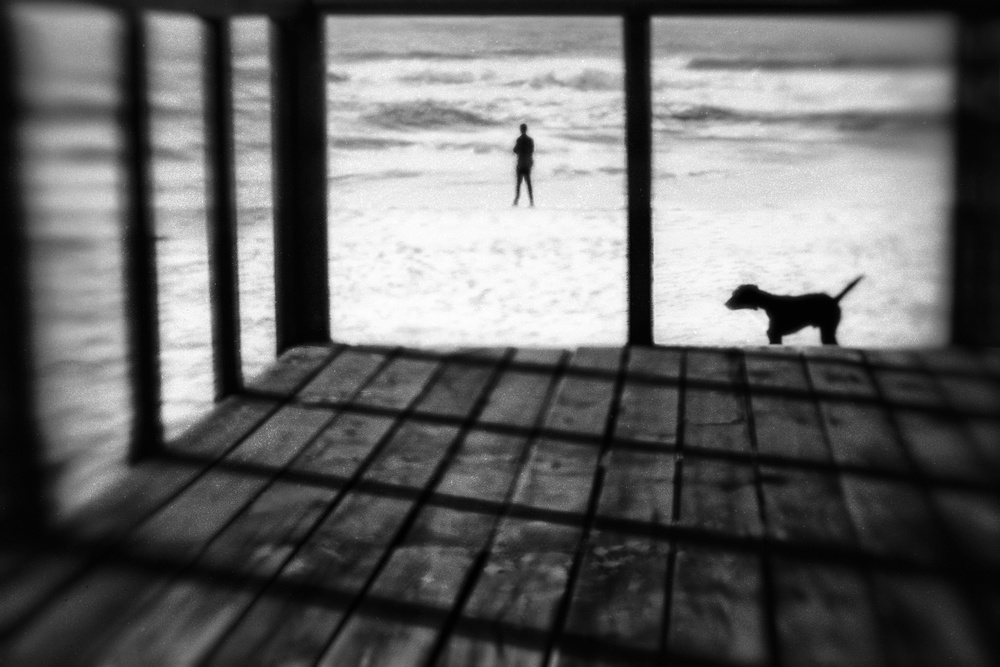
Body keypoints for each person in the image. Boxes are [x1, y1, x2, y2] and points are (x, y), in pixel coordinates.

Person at [513, 123, 534, 206]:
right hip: (527, 163)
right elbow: (532, 151)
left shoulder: (519, 140)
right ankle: (531, 201)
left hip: (520, 163)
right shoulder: (530, 140)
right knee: (528, 183)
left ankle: (516, 200)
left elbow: (515, 150)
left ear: (521, 130)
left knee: (519, 183)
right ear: (526, 129)